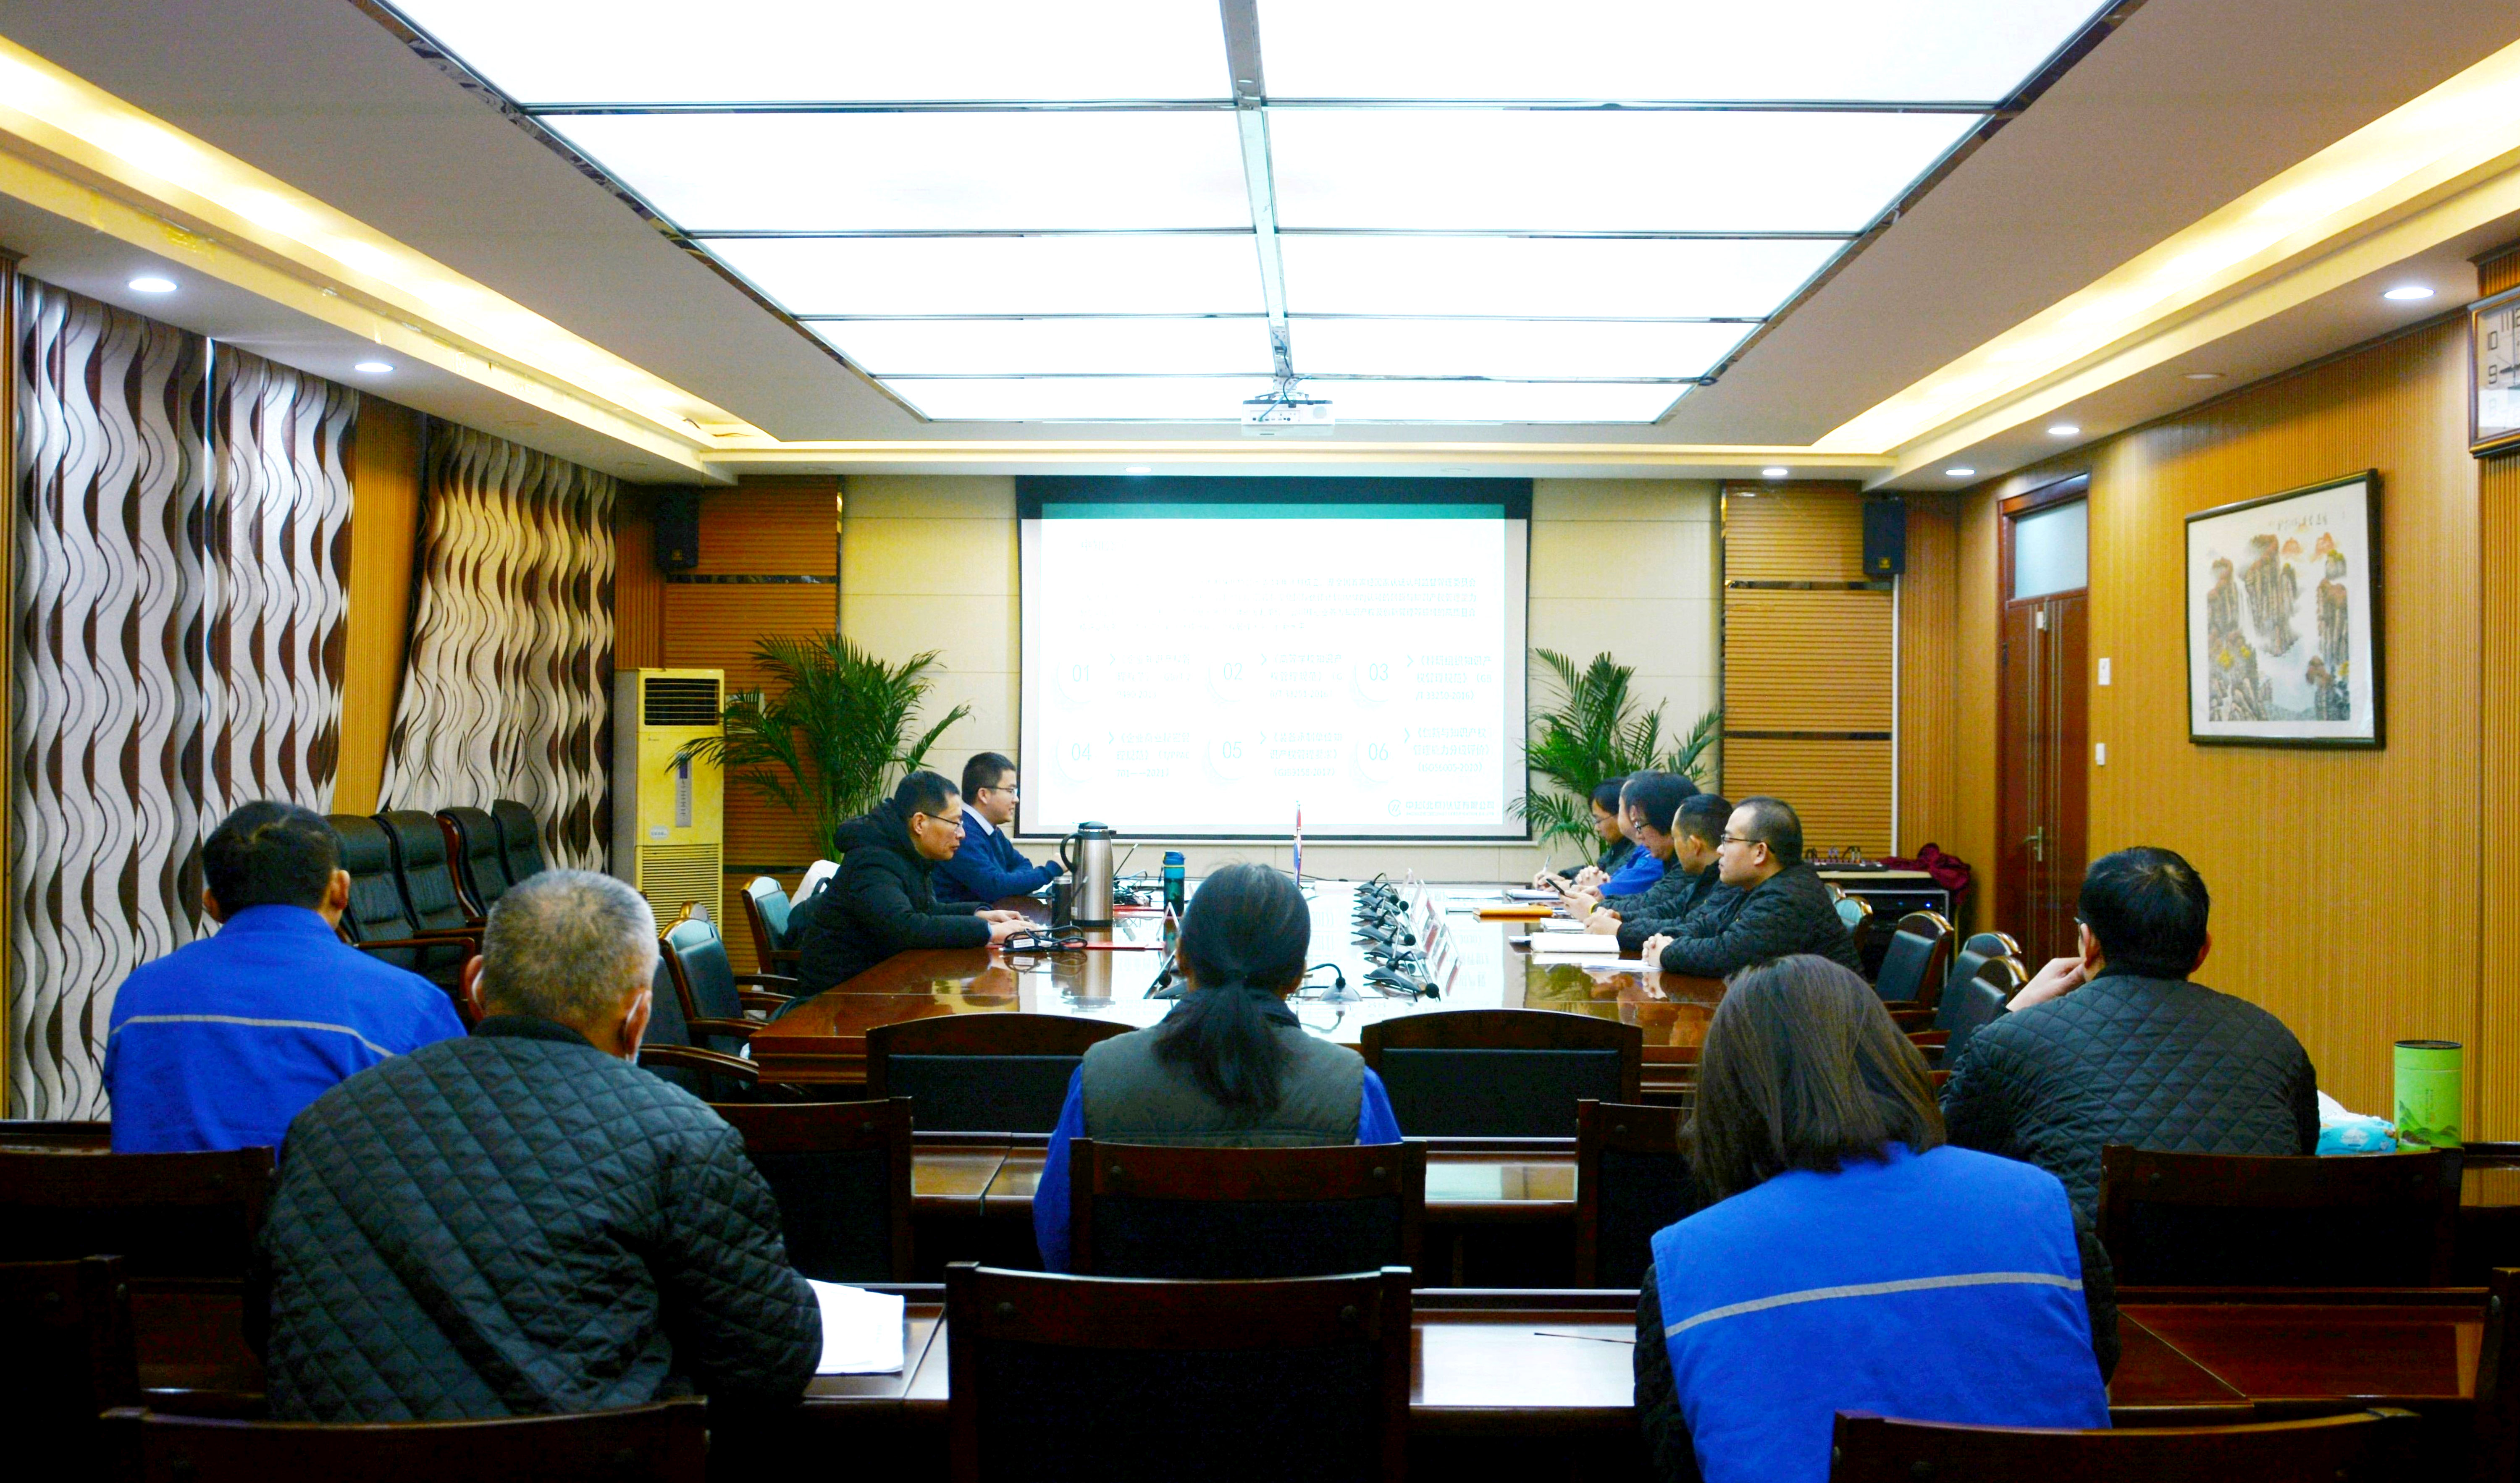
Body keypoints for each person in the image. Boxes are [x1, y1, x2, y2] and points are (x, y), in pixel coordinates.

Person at [256, 870, 821, 1420]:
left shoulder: (324, 1123)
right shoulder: (684, 1137)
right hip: (588, 1465)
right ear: (638, 1015)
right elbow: (770, 1363)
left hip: (336, 1470)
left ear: (475, 985)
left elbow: (265, 1321)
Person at [1634, 955, 2115, 1483]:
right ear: (1892, 1059)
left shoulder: (1689, 1266)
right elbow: (2096, 1359)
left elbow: (1675, 1459)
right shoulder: (2046, 1210)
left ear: (1729, 1098)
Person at [1033, 863, 1402, 1271]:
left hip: (1130, 1314)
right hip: (1316, 1316)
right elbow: (1390, 1243)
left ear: (1181, 956)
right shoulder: (1354, 1088)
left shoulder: (1100, 1077)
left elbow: (1058, 1237)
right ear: (1299, 975)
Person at [1941, 846, 2318, 1218]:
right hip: (2260, 1257)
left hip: (2083, 1259)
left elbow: (1942, 1150)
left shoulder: (2012, 1042)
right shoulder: (2276, 1042)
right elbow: (2302, 1151)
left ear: (2089, 943)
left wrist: (2013, 1014)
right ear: (2203, 951)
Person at [103, 801, 463, 1154]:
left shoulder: (140, 994)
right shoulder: (413, 1005)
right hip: (328, 1196)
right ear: (340, 890)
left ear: (212, 905)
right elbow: (454, 1141)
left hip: (162, 1196)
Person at [786, 770, 1033, 1001]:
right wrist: (991, 933)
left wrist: (981, 915)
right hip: (837, 1002)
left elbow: (925, 909)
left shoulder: (905, 852)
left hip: (879, 989)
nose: (962, 834)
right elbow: (904, 928)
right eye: (956, 823)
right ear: (920, 823)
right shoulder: (874, 861)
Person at [1639, 798, 1861, 978]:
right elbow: (1706, 926)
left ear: (1760, 853)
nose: (1720, 850)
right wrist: (1660, 940)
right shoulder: (1756, 886)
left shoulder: (1789, 898)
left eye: (1728, 841)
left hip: (1828, 1015)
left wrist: (1667, 952)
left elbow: (1726, 956)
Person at [1594, 793, 1742, 954]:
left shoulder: (1732, 884)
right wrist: (1621, 918)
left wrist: (1621, 929)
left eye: (1675, 838)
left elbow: (1692, 927)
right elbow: (1670, 909)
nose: (1721, 850)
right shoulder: (1705, 877)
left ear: (1695, 845)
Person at [934, 752, 1065, 905]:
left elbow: (1023, 865)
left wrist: (1007, 882)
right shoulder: (963, 833)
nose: (1016, 799)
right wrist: (1051, 870)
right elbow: (994, 887)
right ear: (984, 795)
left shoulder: (990, 829)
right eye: (1011, 791)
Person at [1532, 776, 1634, 894]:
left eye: (1599, 820)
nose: (1596, 828)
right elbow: (1596, 871)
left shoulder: (1641, 847)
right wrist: (1563, 878)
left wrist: (1570, 884)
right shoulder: (1619, 847)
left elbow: (1611, 879)